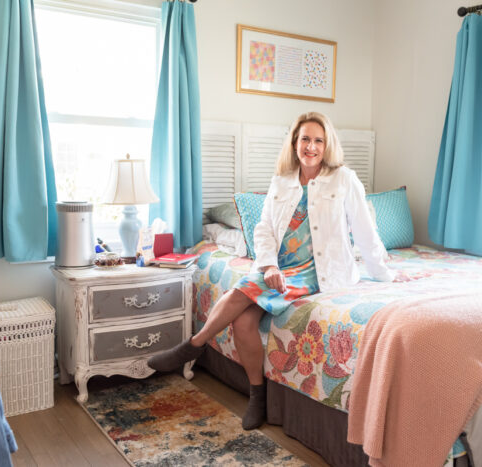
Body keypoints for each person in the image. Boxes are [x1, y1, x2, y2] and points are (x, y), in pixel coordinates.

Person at [147, 111, 394, 429]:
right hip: (278, 265)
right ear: (295, 143)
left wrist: (383, 273)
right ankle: (257, 397)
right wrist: (268, 266)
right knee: (243, 320)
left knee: (241, 296)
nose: (311, 146)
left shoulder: (344, 179)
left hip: (316, 269)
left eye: (318, 140)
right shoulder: (281, 181)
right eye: (305, 139)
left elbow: (365, 230)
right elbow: (263, 230)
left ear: (327, 144)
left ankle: (192, 346)